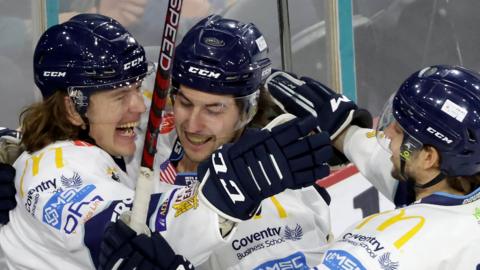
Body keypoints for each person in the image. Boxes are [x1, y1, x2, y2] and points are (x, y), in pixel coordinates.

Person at [0, 13, 332, 269]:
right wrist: (231, 190)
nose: (141, 106)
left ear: (249, 109)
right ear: (73, 108)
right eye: (120, 96)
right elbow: (124, 234)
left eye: (214, 108)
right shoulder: (57, 170)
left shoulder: (117, 134)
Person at [130, 15, 351, 270]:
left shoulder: (288, 169)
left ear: (248, 109)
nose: (192, 125)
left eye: (213, 109)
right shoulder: (145, 150)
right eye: (185, 103)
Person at [266, 65, 480, 269]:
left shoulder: (398, 244)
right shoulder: (456, 182)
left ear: (429, 157)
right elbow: (380, 156)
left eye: (399, 130)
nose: (387, 133)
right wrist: (340, 127)